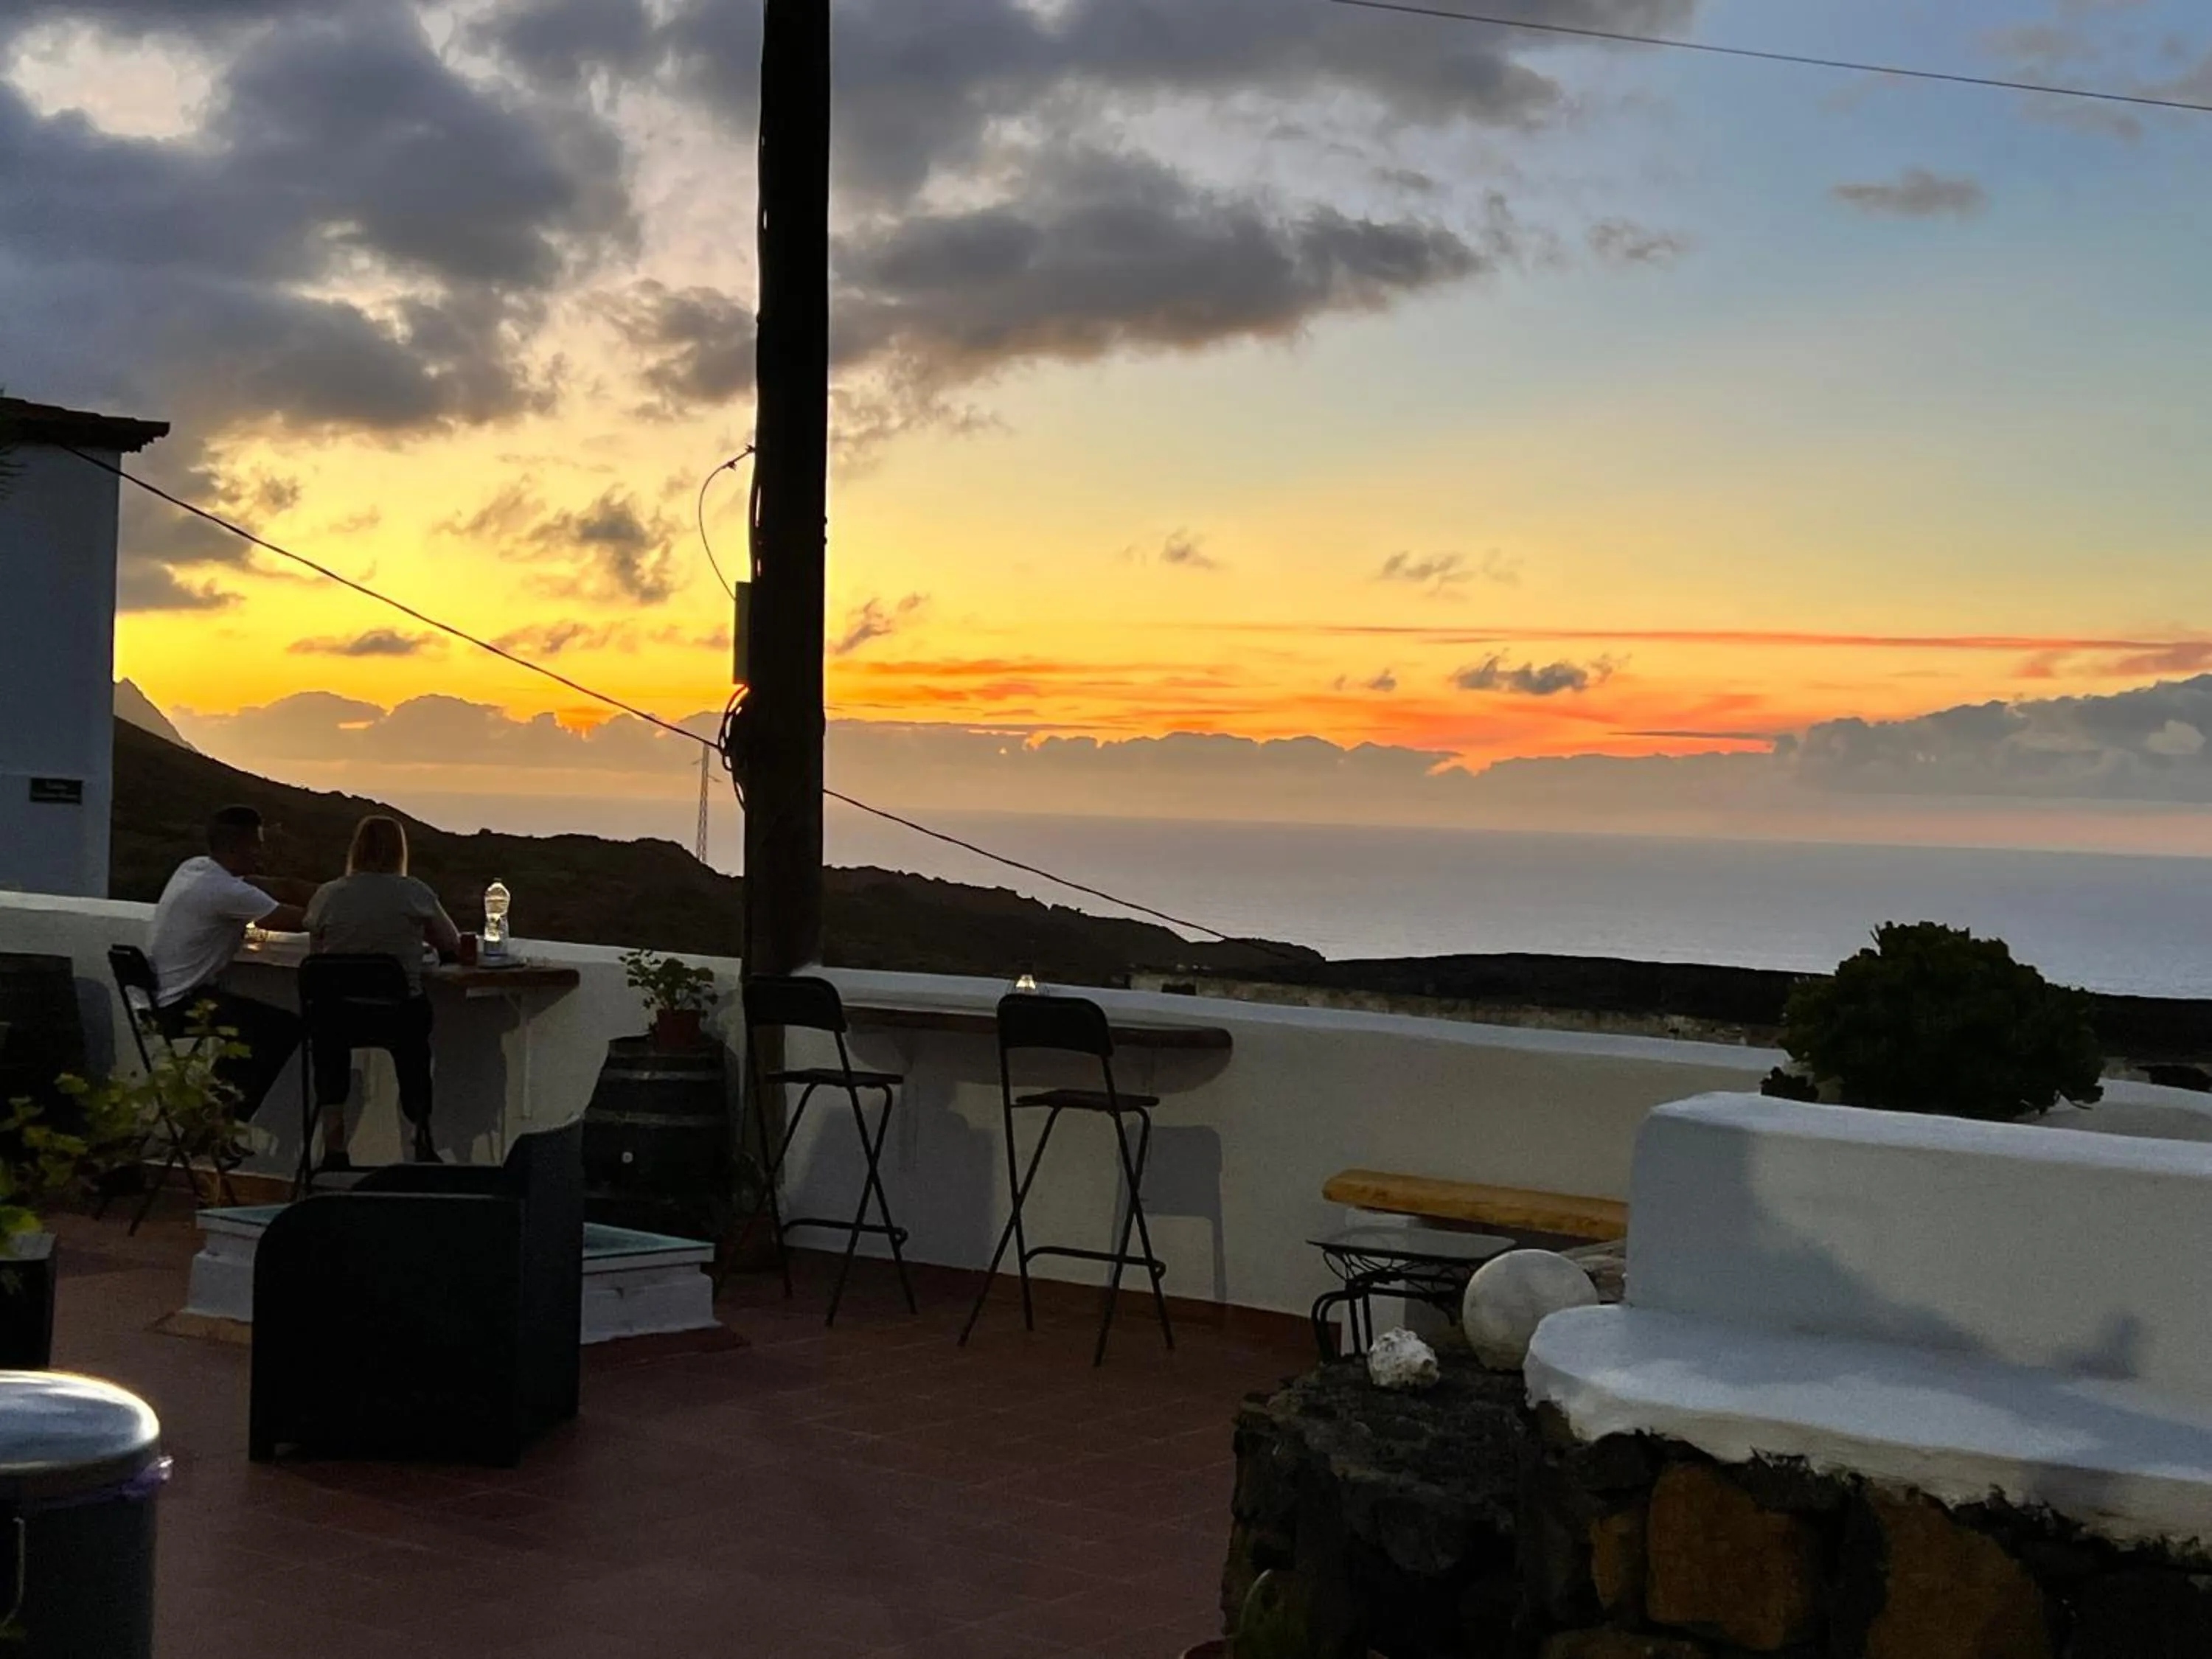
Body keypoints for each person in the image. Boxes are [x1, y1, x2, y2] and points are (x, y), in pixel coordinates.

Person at [303, 815, 460, 1167]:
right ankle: (419, 1137)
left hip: (336, 1015)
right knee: (414, 1052)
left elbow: (318, 956)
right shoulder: (414, 892)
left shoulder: (327, 894)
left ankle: (334, 1146)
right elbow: (450, 943)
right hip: (397, 1016)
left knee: (329, 1046)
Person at [146, 804, 310, 1120]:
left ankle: (210, 1114)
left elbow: (268, 886)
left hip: (159, 998)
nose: (261, 851)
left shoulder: (193, 868)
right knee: (282, 1029)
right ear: (237, 847)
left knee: (251, 1030)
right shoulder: (225, 891)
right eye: (257, 844)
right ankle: (220, 1123)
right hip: (184, 1006)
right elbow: (298, 920)